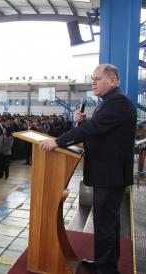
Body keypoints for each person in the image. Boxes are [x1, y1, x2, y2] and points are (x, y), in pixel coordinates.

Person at [39, 64, 137, 274]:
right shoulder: (108, 102)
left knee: (105, 222)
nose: (93, 82)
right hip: (107, 172)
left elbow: (96, 128)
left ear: (113, 80)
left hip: (110, 173)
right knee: (105, 221)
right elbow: (99, 128)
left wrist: (59, 141)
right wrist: (81, 123)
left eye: (98, 79)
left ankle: (107, 269)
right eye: (92, 78)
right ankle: (105, 262)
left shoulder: (118, 101)